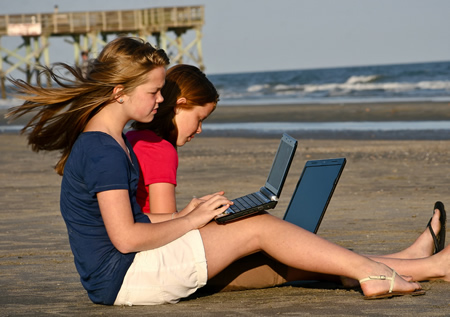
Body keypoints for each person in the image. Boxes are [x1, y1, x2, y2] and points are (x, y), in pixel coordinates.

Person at [7, 36, 435, 306]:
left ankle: (387, 269)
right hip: (124, 279)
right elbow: (126, 237)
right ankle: (374, 274)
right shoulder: (102, 150)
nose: (161, 100)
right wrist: (191, 221)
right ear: (120, 92)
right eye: (154, 91)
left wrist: (183, 215)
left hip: (121, 275)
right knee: (260, 230)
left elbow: (131, 223)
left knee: (256, 230)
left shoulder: (105, 140)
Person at [126, 64, 448, 292]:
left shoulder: (136, 139)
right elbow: (170, 229)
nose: (200, 129)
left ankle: (407, 259)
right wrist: (204, 221)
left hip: (151, 258)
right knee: (288, 259)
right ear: (180, 105)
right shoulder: (158, 148)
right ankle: (427, 266)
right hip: (163, 263)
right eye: (198, 119)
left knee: (294, 251)